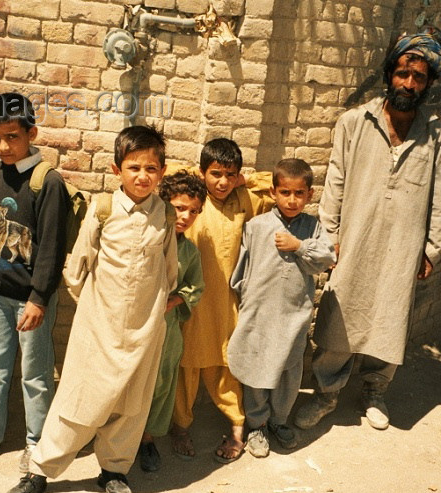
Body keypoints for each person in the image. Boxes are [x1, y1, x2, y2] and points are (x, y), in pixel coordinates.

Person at [2, 125, 178, 493]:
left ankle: (114, 471)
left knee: (131, 404)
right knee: (79, 399)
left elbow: (169, 271)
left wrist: (151, 316)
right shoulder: (103, 209)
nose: (142, 176)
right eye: (134, 167)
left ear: (162, 172)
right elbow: (76, 272)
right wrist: (98, 313)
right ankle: (39, 471)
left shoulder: (165, 214)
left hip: (145, 330)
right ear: (118, 170)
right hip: (98, 327)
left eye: (151, 168)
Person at [294, 28, 441, 431]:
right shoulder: (354, 122)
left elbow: (440, 195)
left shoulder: (434, 135)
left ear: (428, 82)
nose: (409, 83)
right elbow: (336, 183)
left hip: (403, 244)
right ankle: (327, 393)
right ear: (389, 73)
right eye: (403, 73)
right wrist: (329, 239)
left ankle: (375, 390)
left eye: (418, 77)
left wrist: (431, 249)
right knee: (340, 312)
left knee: (391, 315)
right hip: (354, 239)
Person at [0, 92, 70, 468]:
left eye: (12, 137)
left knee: (35, 375)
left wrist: (39, 298)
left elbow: (53, 248)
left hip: (30, 300)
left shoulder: (47, 183)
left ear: (31, 133)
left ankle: (35, 442)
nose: (3, 146)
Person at [171, 138, 274, 463]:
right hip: (188, 302)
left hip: (227, 305)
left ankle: (237, 428)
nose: (222, 182)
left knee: (226, 366)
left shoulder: (243, 198)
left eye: (230, 175)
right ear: (203, 173)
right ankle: (180, 426)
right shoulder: (193, 198)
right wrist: (198, 176)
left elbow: (277, 182)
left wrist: (247, 180)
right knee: (184, 368)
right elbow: (170, 174)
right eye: (215, 174)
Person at [228, 159, 335, 458]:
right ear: (273, 192)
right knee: (257, 367)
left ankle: (279, 420)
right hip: (260, 313)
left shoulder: (313, 228)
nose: (291, 200)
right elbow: (241, 272)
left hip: (294, 314)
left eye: (298, 193)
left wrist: (298, 246)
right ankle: (258, 425)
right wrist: (247, 303)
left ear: (309, 195)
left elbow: (325, 257)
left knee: (288, 369)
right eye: (285, 192)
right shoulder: (257, 226)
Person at [138, 171, 207, 472]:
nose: (185, 216)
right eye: (179, 208)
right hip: (137, 325)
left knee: (162, 381)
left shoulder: (189, 251)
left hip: (167, 328)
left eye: (193, 211)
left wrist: (174, 301)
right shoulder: (146, 235)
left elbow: (196, 286)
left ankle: (147, 438)